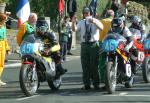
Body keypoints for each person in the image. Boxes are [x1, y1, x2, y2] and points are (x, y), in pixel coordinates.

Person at [72, 6, 103, 90]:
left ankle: (96, 84)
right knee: (85, 65)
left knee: (94, 65)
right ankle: (87, 84)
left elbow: (101, 28)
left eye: (87, 13)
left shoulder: (96, 21)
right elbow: (74, 29)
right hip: (84, 45)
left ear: (91, 13)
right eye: (84, 13)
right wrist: (73, 22)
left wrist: (94, 22)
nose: (86, 14)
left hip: (93, 44)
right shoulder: (82, 22)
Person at [99, 9, 114, 84]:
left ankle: (102, 78)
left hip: (102, 42)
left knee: (101, 61)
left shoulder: (101, 21)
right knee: (114, 58)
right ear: (113, 15)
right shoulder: (114, 21)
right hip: (112, 43)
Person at [0, 13, 9, 86]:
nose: (5, 21)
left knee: (1, 64)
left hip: (2, 46)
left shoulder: (3, 28)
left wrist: (7, 48)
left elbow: (5, 39)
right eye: (4, 20)